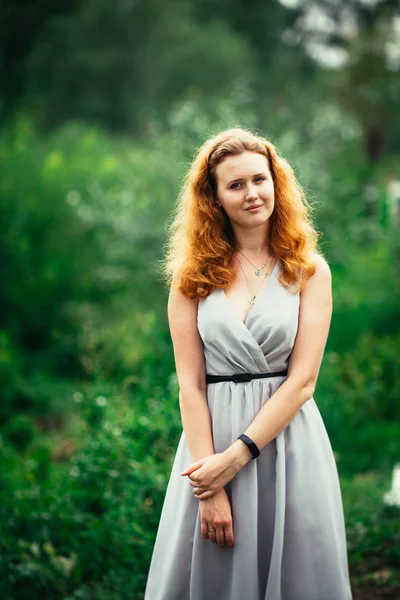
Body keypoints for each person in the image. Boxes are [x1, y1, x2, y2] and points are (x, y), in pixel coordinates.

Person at [144, 128, 353, 600]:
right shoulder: (191, 277)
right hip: (208, 445)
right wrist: (210, 484)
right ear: (214, 198)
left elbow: (302, 382)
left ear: (277, 183)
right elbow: (191, 386)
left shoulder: (310, 270)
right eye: (235, 184)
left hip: (286, 443)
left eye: (259, 179)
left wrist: (235, 459)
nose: (251, 193)